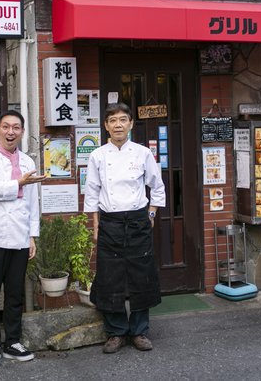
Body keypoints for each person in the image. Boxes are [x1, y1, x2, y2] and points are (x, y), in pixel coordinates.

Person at [84, 102, 166, 354]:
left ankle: (139, 331)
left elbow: (157, 186)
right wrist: (96, 225)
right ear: (106, 126)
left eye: (122, 120)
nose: (118, 124)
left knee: (141, 274)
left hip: (138, 220)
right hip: (110, 221)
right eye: (113, 121)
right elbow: (92, 192)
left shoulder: (142, 153)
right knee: (110, 276)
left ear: (130, 123)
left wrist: (150, 213)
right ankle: (116, 331)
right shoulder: (97, 155)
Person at [0, 110, 46, 368]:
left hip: (19, 238)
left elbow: (33, 202)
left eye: (16, 127)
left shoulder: (27, 161)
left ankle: (13, 341)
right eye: (6, 127)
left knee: (15, 294)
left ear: (22, 132)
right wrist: (19, 182)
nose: (11, 132)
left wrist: (32, 235)